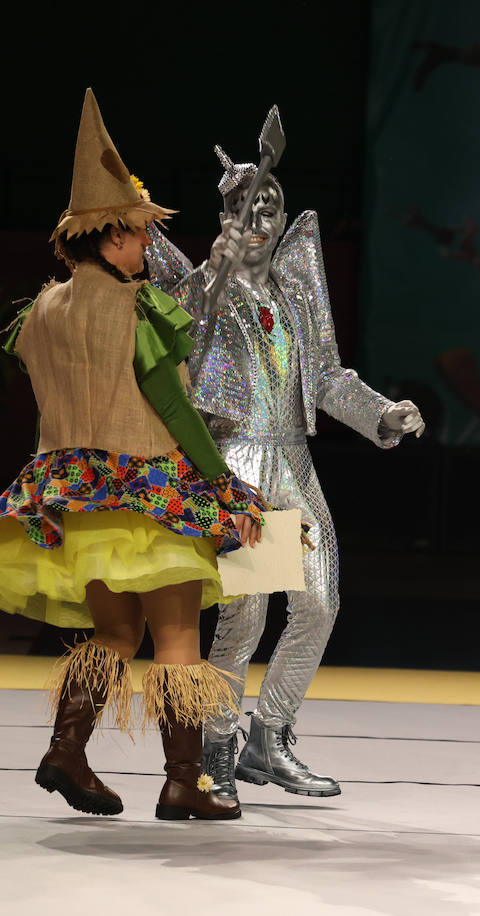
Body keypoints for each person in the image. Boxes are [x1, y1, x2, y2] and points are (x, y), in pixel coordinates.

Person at [0, 89, 269, 821]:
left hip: (78, 496)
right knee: (179, 635)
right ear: (113, 234)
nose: (149, 246)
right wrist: (227, 486)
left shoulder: (41, 311)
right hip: (150, 493)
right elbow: (175, 407)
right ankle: (187, 783)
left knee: (116, 632)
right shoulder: (139, 306)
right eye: (143, 235)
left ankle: (65, 748)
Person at [144, 142, 425, 802]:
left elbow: (326, 377)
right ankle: (216, 747)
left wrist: (383, 415)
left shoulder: (297, 294)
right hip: (238, 459)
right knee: (243, 617)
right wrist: (213, 269)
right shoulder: (206, 288)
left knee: (319, 603)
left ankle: (267, 739)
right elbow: (180, 330)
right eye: (245, 204)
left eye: (269, 204)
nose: (259, 215)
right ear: (227, 214)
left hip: (293, 464)